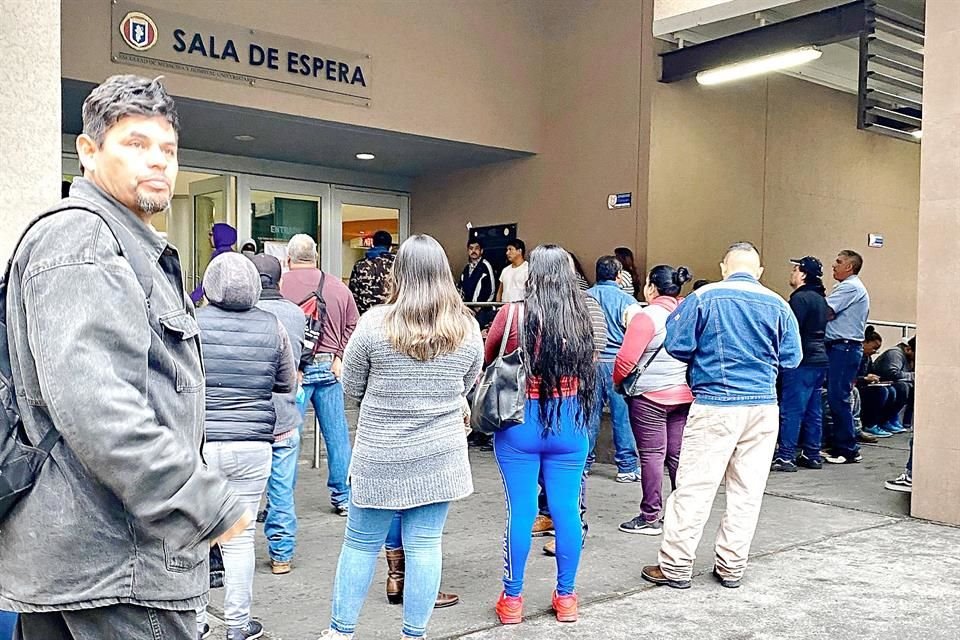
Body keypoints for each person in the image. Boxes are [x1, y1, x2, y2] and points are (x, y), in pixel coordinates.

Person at [2, 74, 249, 639]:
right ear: (88, 152)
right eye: (135, 145)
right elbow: (98, 404)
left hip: (99, 569)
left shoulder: (124, 244)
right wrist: (201, 500)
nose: (157, 161)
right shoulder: (83, 240)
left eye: (167, 149)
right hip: (118, 568)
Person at [320, 234, 483, 640]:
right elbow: (466, 384)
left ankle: (341, 633)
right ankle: (414, 634)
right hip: (441, 456)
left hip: (381, 454)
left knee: (360, 544)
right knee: (425, 545)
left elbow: (351, 388)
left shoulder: (374, 323)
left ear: (399, 273)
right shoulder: (466, 328)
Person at [642, 242, 801, 590]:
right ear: (758, 272)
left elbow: (677, 345)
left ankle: (676, 566)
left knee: (695, 488)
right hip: (762, 407)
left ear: (724, 267)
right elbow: (791, 359)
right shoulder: (779, 304)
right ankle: (731, 566)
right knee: (747, 490)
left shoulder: (705, 298)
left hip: (715, 402)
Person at [487, 244, 598, 625]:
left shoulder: (513, 313)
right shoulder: (583, 316)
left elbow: (491, 359)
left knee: (522, 511)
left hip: (520, 421)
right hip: (570, 420)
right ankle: (566, 598)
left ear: (532, 274)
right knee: (567, 510)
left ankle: (513, 599)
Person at [195, 253, 297, 640]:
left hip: (201, 447)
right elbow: (286, 384)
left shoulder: (193, 322)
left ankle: (196, 621)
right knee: (239, 540)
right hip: (253, 447)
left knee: (196, 538)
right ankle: (238, 626)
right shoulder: (272, 326)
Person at [281, 234, 359, 516]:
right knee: (337, 434)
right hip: (330, 368)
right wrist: (339, 356)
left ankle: (281, 499)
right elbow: (353, 324)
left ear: (289, 259)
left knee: (289, 436)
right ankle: (343, 497)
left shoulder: (280, 285)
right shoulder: (338, 287)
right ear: (316, 257)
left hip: (294, 371)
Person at [615, 265, 694, 535]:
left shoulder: (647, 316)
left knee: (651, 455)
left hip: (649, 397)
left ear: (651, 287)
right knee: (677, 455)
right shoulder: (688, 314)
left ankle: (650, 516)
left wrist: (618, 382)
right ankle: (684, 514)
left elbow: (626, 360)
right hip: (684, 395)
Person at [251, 254, 307, 575]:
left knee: (234, 488)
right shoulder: (296, 314)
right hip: (285, 413)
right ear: (280, 280)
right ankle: (281, 555)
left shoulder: (242, 314)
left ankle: (232, 552)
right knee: (282, 489)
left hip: (244, 418)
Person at [772, 257, 829, 472]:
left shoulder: (799, 299)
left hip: (801, 360)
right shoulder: (820, 299)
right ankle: (812, 454)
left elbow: (790, 332)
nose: (792, 273)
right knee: (813, 410)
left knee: (791, 409)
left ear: (803, 275)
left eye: (795, 270)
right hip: (819, 359)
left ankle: (786, 456)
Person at [586, 256, 640, 483]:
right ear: (619, 276)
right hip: (618, 364)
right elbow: (637, 335)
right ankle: (627, 467)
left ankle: (583, 463)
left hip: (589, 363)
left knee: (588, 416)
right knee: (622, 417)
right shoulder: (627, 301)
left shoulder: (583, 298)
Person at [823, 250, 871, 465]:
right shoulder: (847, 287)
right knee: (837, 397)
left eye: (838, 262)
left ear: (849, 267)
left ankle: (847, 449)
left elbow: (827, 311)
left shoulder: (850, 287)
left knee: (838, 398)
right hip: (842, 348)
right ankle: (841, 444)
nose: (834, 265)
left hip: (844, 348)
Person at [857, 328, 910, 439]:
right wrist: (865, 378)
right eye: (874, 348)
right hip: (857, 386)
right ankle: (870, 424)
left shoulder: (867, 358)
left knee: (893, 389)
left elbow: (870, 372)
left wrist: (875, 379)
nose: (874, 352)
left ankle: (885, 420)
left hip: (864, 385)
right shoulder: (856, 356)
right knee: (881, 392)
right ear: (864, 343)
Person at [873, 335, 916, 431]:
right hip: (882, 382)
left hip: (891, 383)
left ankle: (904, 422)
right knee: (902, 388)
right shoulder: (895, 353)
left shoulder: (909, 358)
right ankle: (883, 420)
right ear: (909, 349)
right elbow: (893, 374)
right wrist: (915, 375)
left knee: (910, 387)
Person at [349, 229, 395, 315]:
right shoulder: (397, 265)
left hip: (365, 316)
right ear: (390, 247)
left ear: (373, 244)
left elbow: (353, 295)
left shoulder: (360, 265)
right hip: (391, 316)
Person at [190, 222, 237, 304]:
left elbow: (206, 283)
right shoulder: (234, 255)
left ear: (220, 236)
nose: (209, 238)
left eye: (211, 234)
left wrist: (191, 300)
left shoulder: (219, 257)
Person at [460, 238, 497, 329]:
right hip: (468, 312)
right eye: (471, 248)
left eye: (476, 248)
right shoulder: (466, 269)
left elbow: (492, 289)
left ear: (481, 251)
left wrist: (480, 307)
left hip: (483, 312)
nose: (473, 251)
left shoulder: (486, 266)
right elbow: (461, 289)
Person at [497, 238, 528, 303]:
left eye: (510, 249)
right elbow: (500, 291)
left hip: (520, 309)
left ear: (519, 251)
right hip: (504, 308)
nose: (507, 253)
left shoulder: (528, 269)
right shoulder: (505, 270)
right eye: (507, 250)